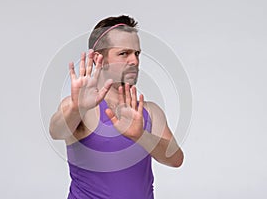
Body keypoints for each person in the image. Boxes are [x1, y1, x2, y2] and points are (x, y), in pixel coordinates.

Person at [49, 15, 184, 199]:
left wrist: (139, 135)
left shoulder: (150, 111)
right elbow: (57, 131)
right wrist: (76, 107)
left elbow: (176, 159)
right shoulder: (80, 108)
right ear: (99, 59)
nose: (134, 61)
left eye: (137, 53)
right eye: (124, 53)